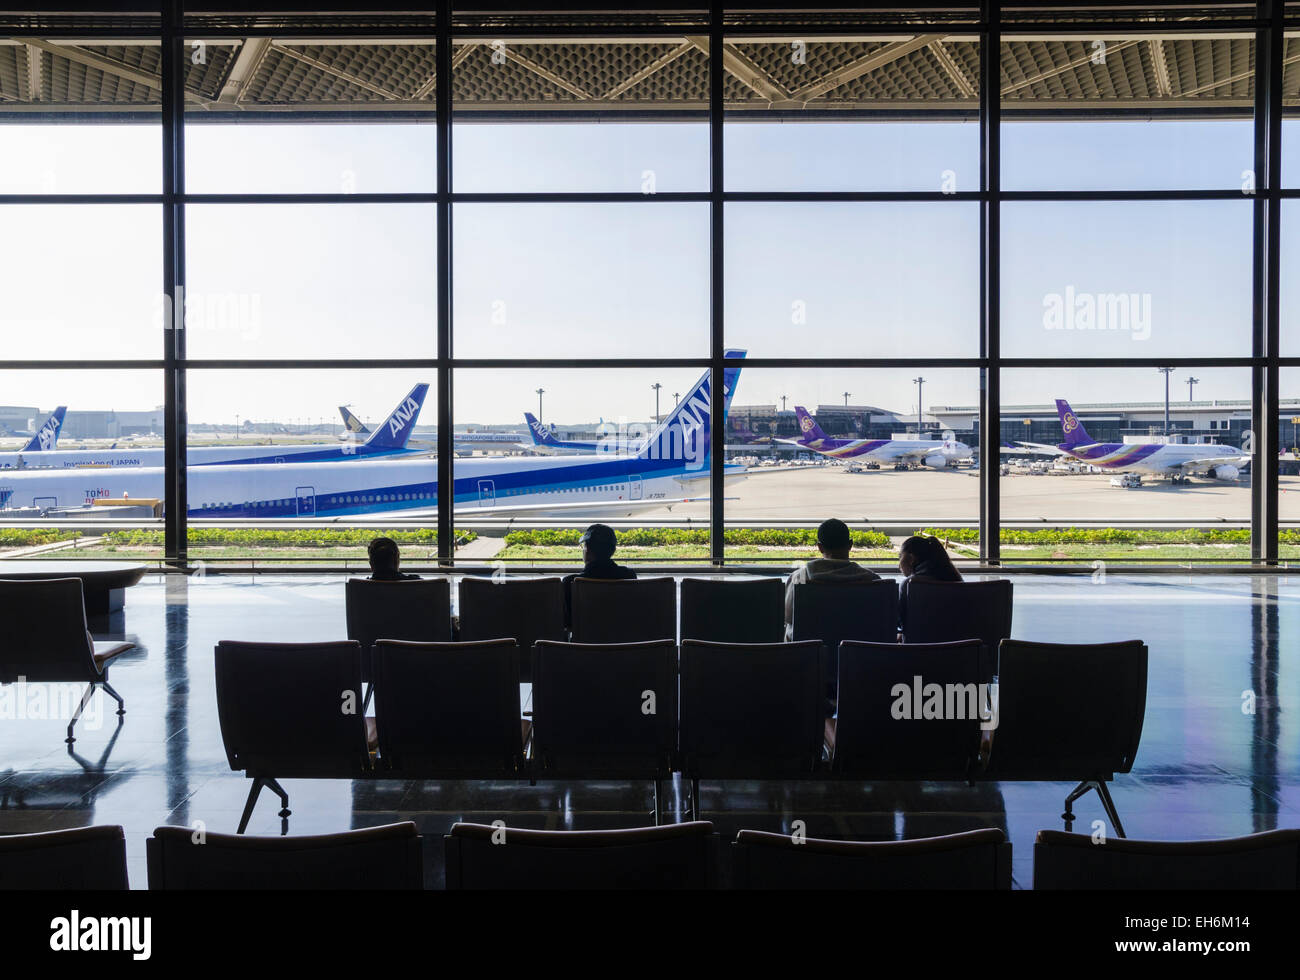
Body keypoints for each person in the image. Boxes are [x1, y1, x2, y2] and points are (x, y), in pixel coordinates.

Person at [784, 518, 881, 640]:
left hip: (810, 653)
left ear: (820, 547)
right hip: (856, 654)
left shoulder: (799, 578)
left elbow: (788, 617)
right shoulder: (873, 580)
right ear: (850, 544)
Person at [562, 523, 636, 630]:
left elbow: (567, 623)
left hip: (584, 644)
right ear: (613, 550)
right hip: (621, 642)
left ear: (587, 551)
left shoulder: (570, 582)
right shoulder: (629, 576)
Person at [897, 534, 963, 628]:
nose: (899, 565)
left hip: (919, 641)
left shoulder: (910, 584)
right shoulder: (955, 577)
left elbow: (901, 622)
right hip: (959, 642)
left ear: (911, 559)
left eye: (900, 557)